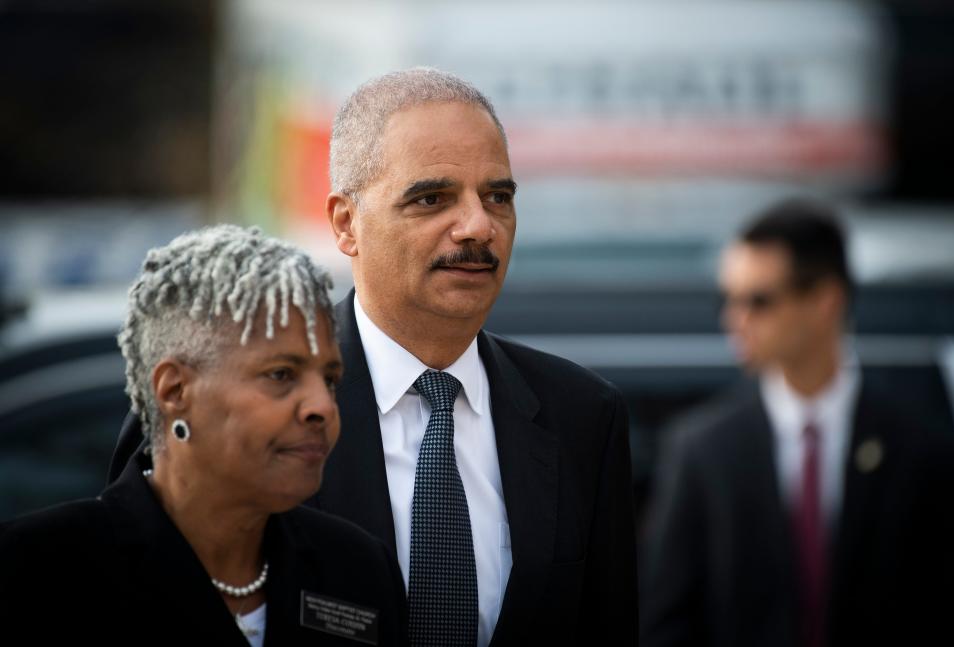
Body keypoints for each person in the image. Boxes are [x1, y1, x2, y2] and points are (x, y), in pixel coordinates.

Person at [109, 68, 638, 646]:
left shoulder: (582, 415)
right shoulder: (223, 400)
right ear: (345, 223)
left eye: (498, 196)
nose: (479, 226)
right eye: (432, 198)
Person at [1, 225, 406, 645]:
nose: (321, 406)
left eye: (330, 379)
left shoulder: (358, 571)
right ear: (175, 390)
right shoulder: (33, 571)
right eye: (281, 375)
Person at [638, 198, 954, 647]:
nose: (736, 319)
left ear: (826, 300)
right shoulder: (701, 451)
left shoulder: (923, 454)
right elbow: (665, 626)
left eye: (759, 300)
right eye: (728, 299)